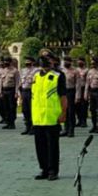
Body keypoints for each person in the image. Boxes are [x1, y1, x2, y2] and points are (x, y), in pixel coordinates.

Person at [32, 49, 67, 180]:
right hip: (38, 117)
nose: (44, 60)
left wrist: (63, 113)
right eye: (42, 57)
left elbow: (63, 96)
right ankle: (44, 169)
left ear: (52, 60)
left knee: (52, 145)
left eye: (47, 57)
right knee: (40, 146)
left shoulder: (58, 75)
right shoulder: (36, 76)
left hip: (52, 117)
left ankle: (53, 170)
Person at [84, 57, 98, 134]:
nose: (92, 64)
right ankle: (94, 126)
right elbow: (87, 83)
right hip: (92, 91)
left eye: (94, 63)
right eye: (92, 63)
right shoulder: (90, 71)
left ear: (97, 63)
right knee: (92, 109)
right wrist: (86, 94)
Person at [61, 56, 80, 138]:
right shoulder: (61, 71)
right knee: (64, 111)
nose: (66, 63)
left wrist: (77, 96)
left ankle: (71, 130)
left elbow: (78, 84)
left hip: (71, 92)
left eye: (67, 61)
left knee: (71, 112)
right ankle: (65, 129)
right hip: (63, 92)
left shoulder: (75, 71)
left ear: (70, 62)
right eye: (64, 61)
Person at [0, 57, 20, 130]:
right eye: (4, 61)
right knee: (5, 107)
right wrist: (0, 91)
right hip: (4, 90)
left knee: (12, 107)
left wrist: (16, 92)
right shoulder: (3, 70)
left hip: (11, 90)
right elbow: (1, 82)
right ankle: (7, 122)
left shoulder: (15, 71)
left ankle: (12, 122)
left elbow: (17, 82)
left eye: (7, 61)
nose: (5, 63)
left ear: (10, 62)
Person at [20, 57, 38, 135]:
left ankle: (33, 127)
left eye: (29, 61)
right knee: (25, 110)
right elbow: (21, 81)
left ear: (32, 62)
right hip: (24, 91)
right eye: (26, 61)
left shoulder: (36, 70)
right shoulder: (23, 70)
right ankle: (27, 126)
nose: (27, 63)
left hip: (32, 91)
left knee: (32, 109)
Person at [76, 57, 89, 128]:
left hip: (84, 88)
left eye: (81, 61)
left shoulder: (87, 70)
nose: (79, 62)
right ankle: (79, 120)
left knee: (84, 106)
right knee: (77, 106)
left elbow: (88, 81)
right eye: (78, 61)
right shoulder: (76, 70)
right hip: (77, 88)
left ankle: (84, 121)